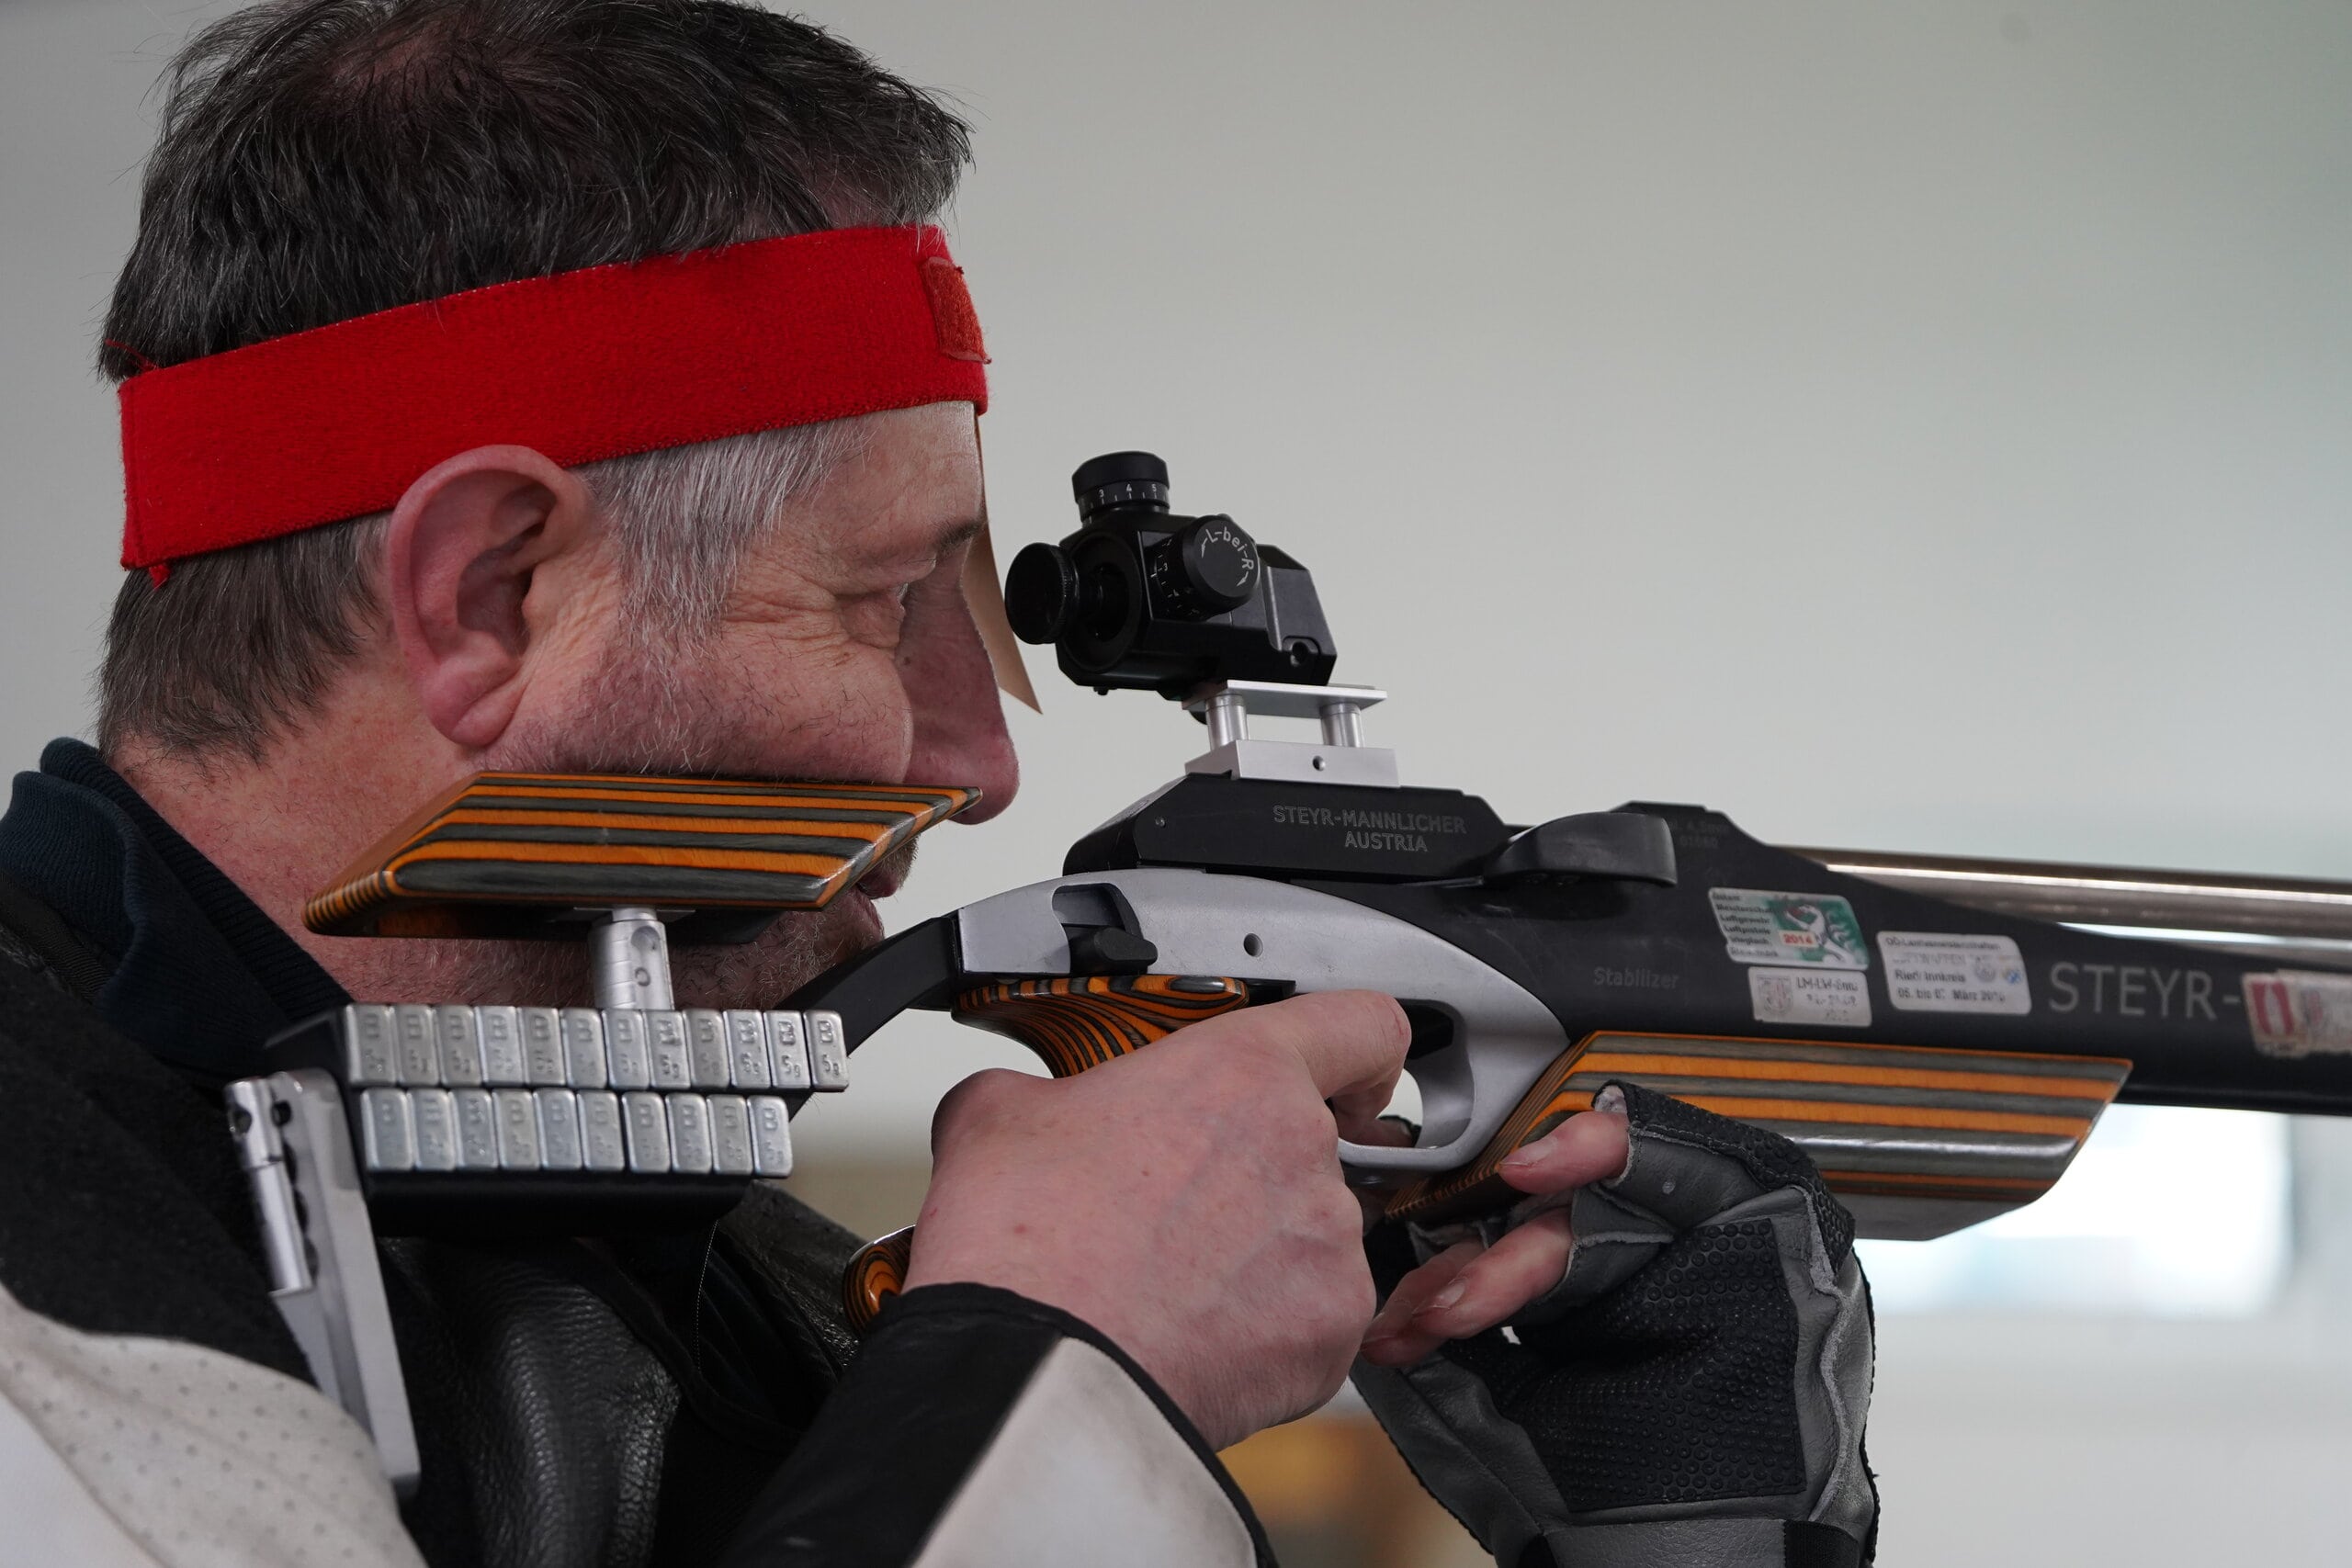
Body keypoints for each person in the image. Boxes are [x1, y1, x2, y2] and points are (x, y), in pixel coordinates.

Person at [0, 3, 1875, 1564]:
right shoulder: (52, 1291)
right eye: (884, 600)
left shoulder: (715, 1283)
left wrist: (1673, 1525)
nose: (980, 763)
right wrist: (1060, 1375)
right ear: (490, 595)